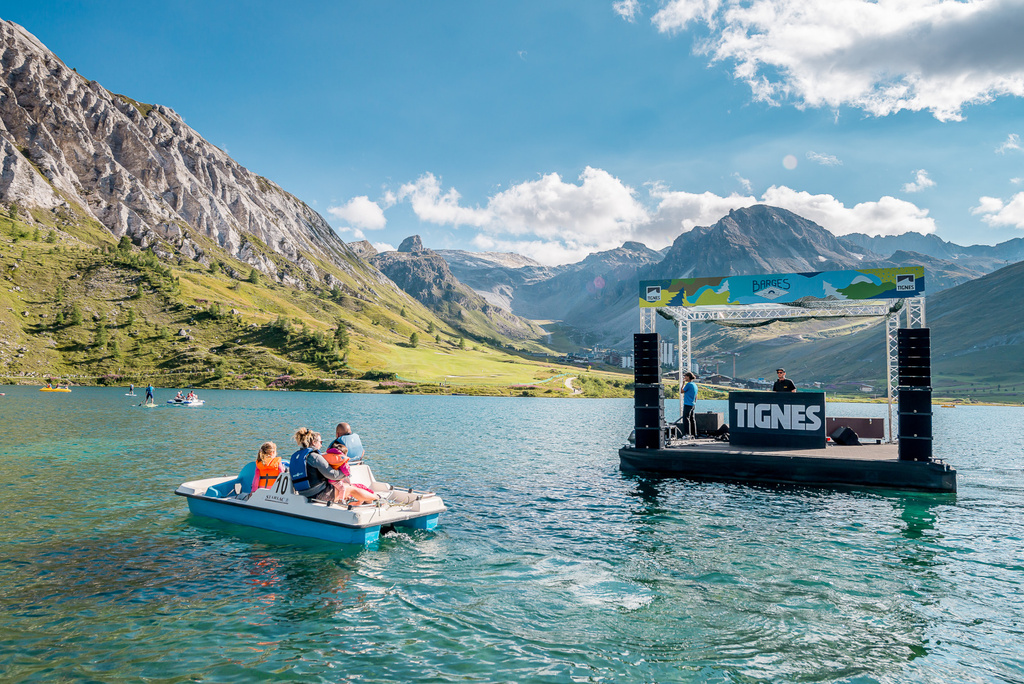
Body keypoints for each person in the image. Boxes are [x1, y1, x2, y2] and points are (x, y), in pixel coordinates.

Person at [288, 428, 344, 503]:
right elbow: (332, 475)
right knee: (350, 488)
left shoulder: (295, 456)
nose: (321, 445)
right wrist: (345, 473)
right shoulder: (315, 457)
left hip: (303, 494)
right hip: (318, 495)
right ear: (314, 442)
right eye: (320, 442)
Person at [681, 371, 698, 438]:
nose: (684, 377)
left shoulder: (688, 384)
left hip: (687, 404)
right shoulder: (695, 385)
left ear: (688, 377)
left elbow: (682, 391)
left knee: (686, 419)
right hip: (692, 404)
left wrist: (683, 383)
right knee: (692, 419)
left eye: (685, 376)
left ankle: (687, 434)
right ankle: (694, 434)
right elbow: (696, 396)